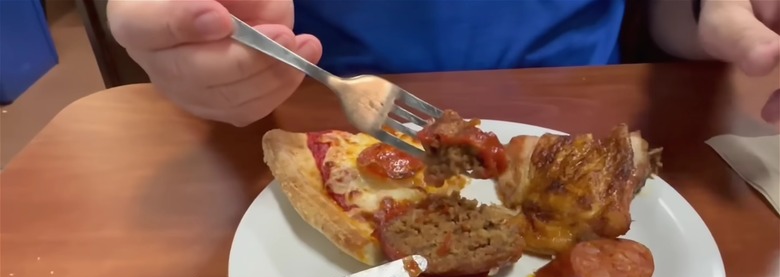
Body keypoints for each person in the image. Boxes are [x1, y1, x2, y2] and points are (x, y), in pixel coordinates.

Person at [106, 0, 780, 127]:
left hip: (595, 118)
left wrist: (716, 19)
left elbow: (665, 18)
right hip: (312, 116)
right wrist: (194, 46)